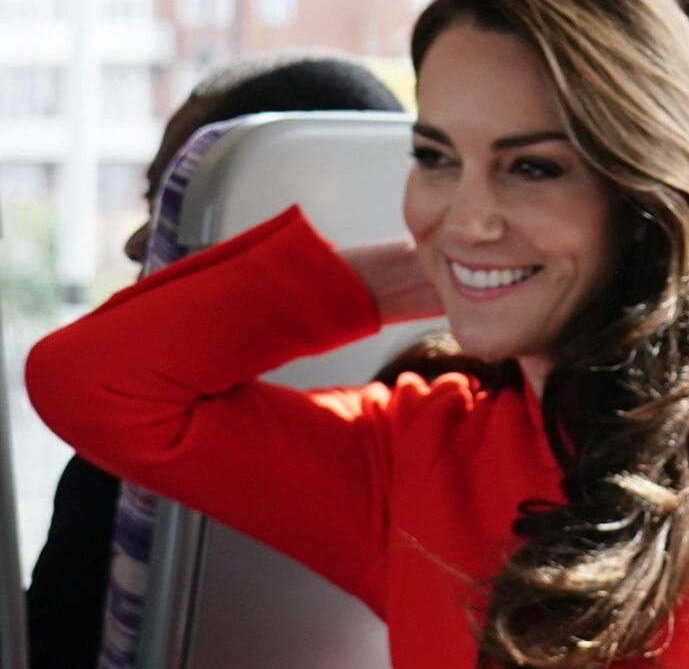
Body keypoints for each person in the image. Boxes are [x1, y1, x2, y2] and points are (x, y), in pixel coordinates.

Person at [28, 0, 689, 668]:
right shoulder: (419, 451)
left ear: (641, 195)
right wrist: (439, 268)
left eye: (531, 169)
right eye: (437, 159)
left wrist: (489, 262)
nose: (470, 213)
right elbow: (91, 383)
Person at [25, 53, 405, 669]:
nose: (137, 242)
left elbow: (53, 646)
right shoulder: (430, 417)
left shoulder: (131, 437)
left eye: (173, 204)